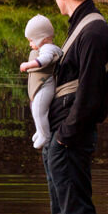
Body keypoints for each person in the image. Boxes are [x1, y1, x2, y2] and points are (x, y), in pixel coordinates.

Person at [44, 0, 108, 214]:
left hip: (70, 139)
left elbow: (90, 96)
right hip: (61, 138)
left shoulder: (94, 30)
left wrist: (63, 137)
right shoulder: (79, 26)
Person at [20, 15, 62, 150]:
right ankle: (40, 130)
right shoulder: (44, 47)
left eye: (31, 40)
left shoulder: (48, 48)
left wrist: (28, 65)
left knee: (39, 110)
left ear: (41, 39)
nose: (30, 44)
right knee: (35, 108)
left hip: (46, 86)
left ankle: (45, 135)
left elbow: (45, 60)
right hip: (41, 86)